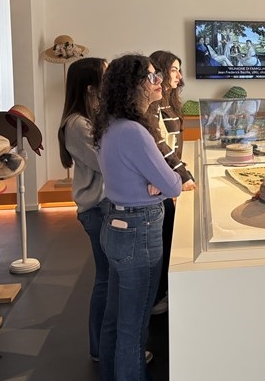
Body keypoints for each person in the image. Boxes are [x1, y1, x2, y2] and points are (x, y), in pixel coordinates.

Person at [92, 54, 183, 381]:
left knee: (115, 321)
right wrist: (157, 186)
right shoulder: (134, 131)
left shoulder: (110, 124)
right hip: (139, 231)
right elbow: (173, 184)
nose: (158, 81)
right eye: (151, 76)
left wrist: (153, 184)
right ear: (134, 85)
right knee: (133, 328)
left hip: (116, 225)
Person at [57, 57, 109, 362]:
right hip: (97, 208)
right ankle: (100, 347)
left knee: (108, 277)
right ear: (91, 87)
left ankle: (102, 346)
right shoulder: (77, 124)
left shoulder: (89, 118)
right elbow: (105, 161)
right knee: (105, 278)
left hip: (101, 205)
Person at [146, 51, 197, 315]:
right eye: (175, 70)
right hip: (162, 183)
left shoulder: (169, 103)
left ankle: (165, 292)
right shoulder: (154, 107)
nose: (179, 76)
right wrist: (182, 174)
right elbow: (159, 144)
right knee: (165, 238)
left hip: (168, 179)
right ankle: (159, 296)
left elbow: (171, 145)